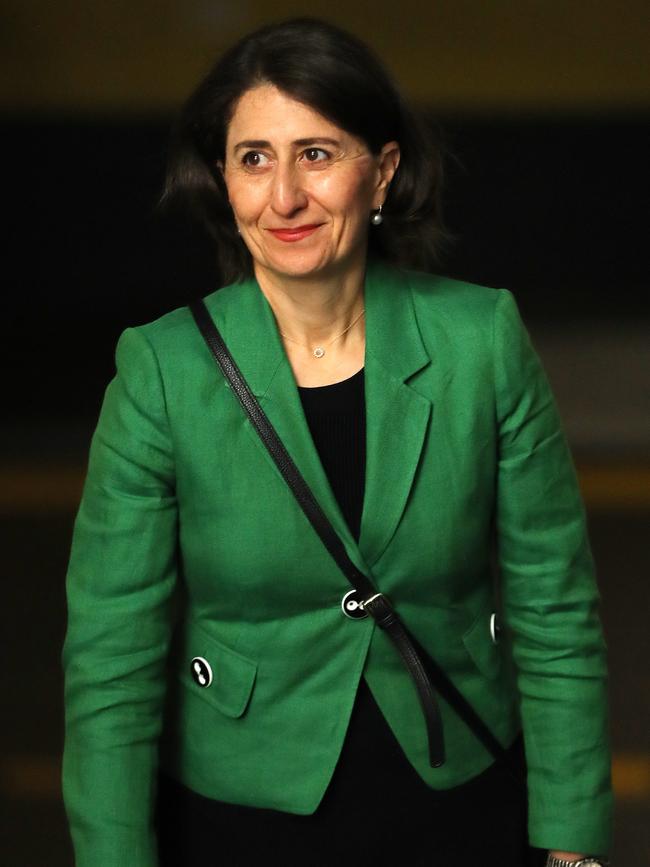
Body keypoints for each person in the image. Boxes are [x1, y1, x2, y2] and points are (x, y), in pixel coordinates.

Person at [62, 17, 612, 867]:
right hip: (237, 813)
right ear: (224, 179)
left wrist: (574, 842)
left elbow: (555, 609)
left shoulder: (482, 339)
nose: (283, 195)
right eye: (254, 159)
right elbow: (110, 659)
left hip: (460, 798)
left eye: (316, 154)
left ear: (382, 172)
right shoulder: (160, 370)